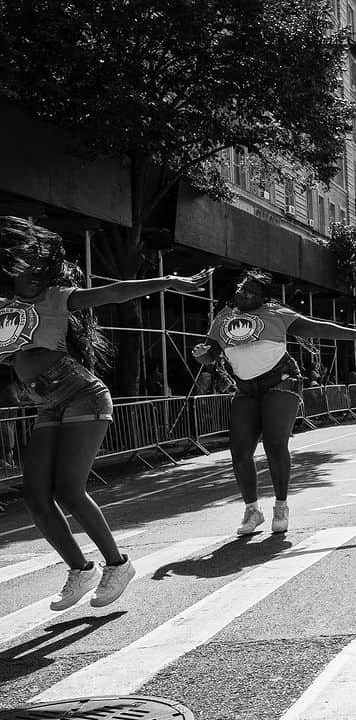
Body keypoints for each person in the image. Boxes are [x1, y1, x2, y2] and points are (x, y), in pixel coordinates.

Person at [0, 216, 213, 610]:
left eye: (36, 269)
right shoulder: (5, 309)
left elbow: (114, 292)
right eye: (22, 269)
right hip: (45, 402)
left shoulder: (57, 297)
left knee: (68, 489)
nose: (30, 275)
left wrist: (166, 282)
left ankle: (118, 565)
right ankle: (81, 570)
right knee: (34, 496)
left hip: (81, 394)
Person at [192, 269, 356, 536]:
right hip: (245, 387)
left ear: (262, 299)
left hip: (281, 380)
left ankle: (281, 506)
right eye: (241, 289)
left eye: (250, 292)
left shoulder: (276, 314)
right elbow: (210, 355)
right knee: (239, 449)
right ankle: (252, 510)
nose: (242, 294)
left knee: (274, 443)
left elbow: (317, 327)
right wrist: (202, 355)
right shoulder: (223, 318)